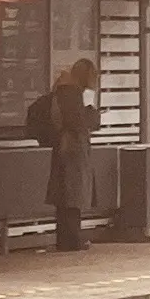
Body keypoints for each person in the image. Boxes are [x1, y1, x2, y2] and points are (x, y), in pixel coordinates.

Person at [23, 56, 98, 250]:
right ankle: (71, 241)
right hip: (71, 150)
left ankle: (66, 240)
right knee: (72, 198)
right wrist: (91, 109)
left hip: (64, 149)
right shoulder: (72, 94)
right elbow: (82, 122)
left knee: (66, 199)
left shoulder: (62, 91)